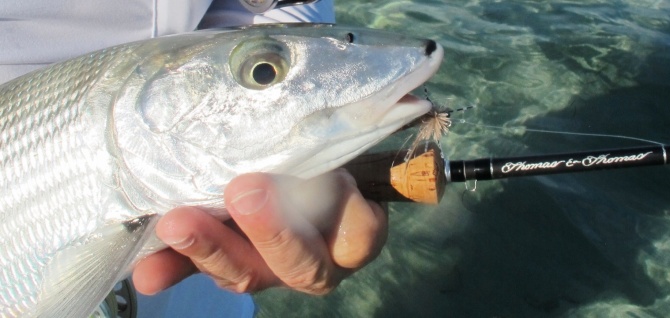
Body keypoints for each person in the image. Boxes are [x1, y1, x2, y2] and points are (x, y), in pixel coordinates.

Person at [1, 0, 389, 316]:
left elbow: (259, 16)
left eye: (264, 72)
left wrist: (306, 149)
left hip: (193, 282)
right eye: (264, 72)